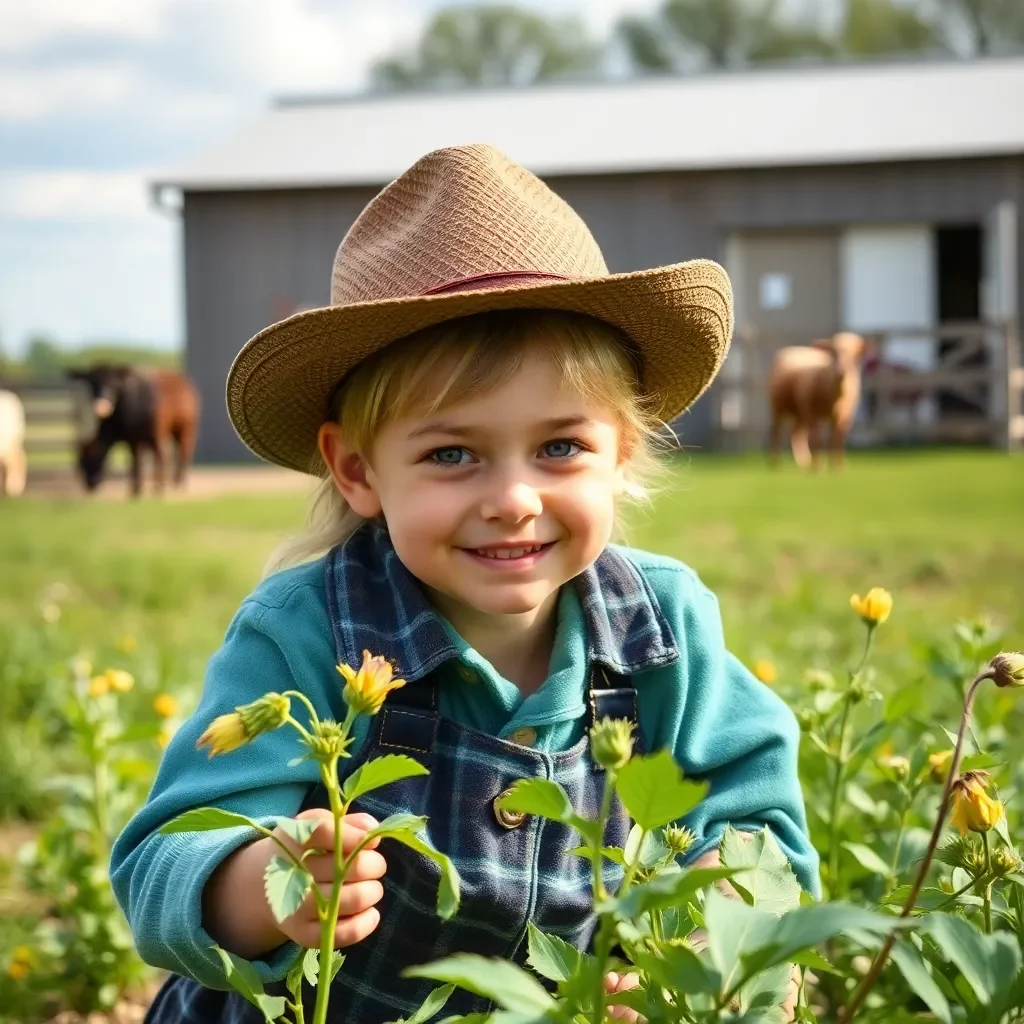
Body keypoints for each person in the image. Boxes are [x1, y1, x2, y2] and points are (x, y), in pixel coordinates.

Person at [111, 144, 819, 1024]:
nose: (514, 501)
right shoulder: (302, 634)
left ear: (622, 452)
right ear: (359, 470)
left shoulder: (662, 629)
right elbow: (158, 866)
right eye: (453, 454)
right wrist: (267, 884)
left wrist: (709, 934)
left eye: (560, 447)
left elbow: (755, 828)